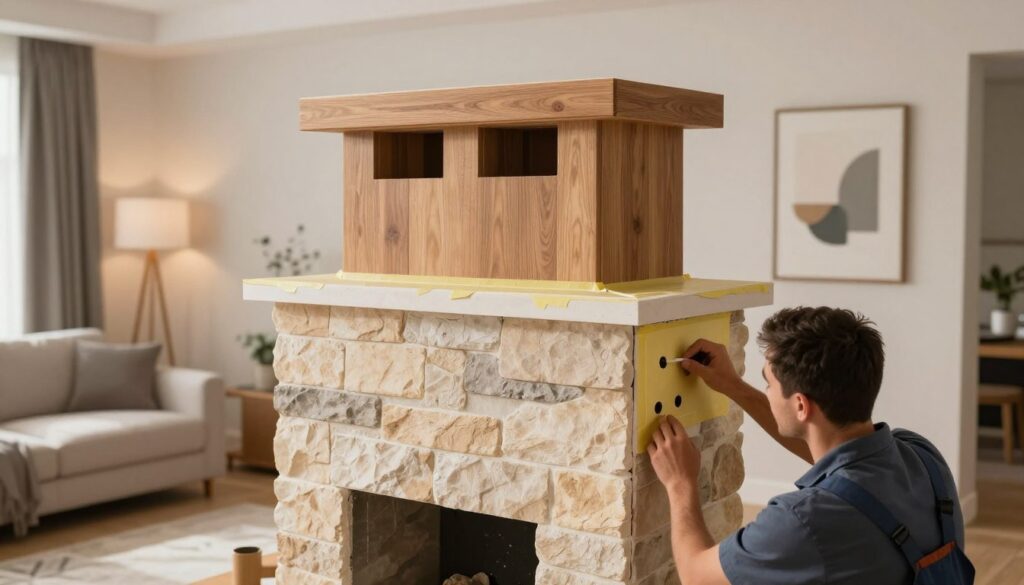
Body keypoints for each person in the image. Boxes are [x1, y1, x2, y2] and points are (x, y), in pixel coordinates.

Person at [647, 306, 975, 584]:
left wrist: (680, 483)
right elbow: (840, 468)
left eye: (768, 382)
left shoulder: (802, 520)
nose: (767, 389)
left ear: (802, 405)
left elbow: (695, 574)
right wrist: (734, 386)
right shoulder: (922, 454)